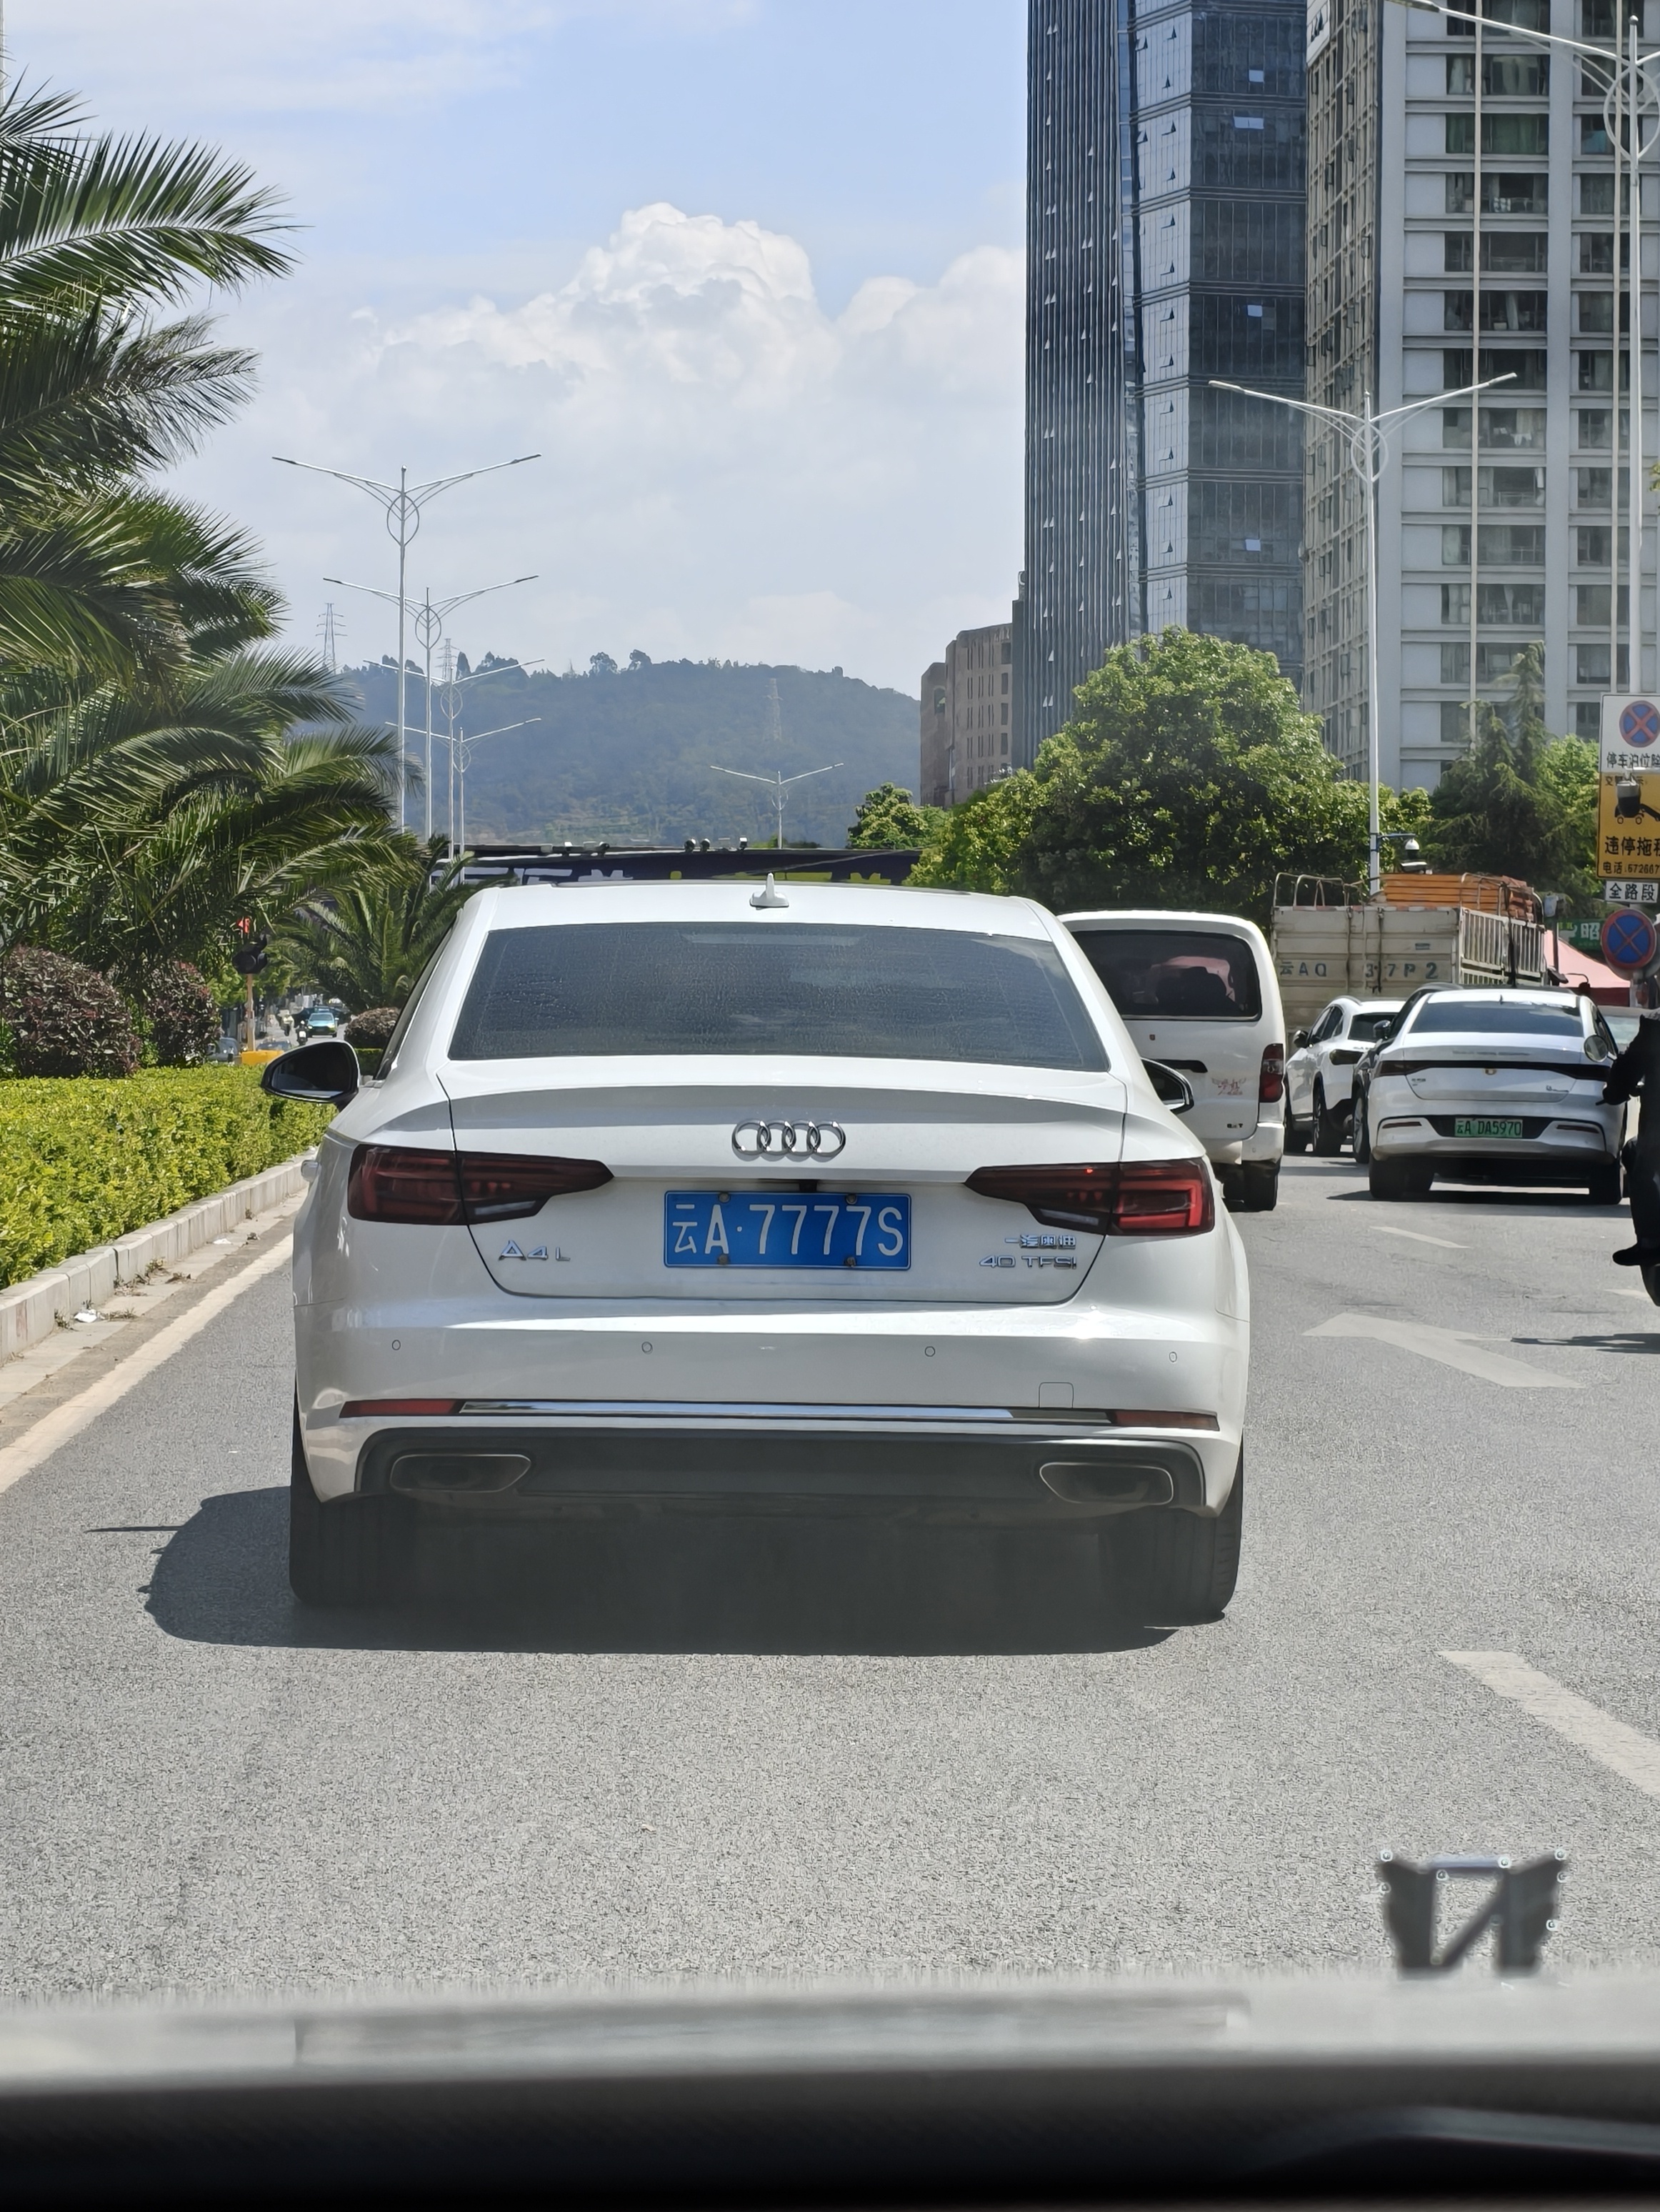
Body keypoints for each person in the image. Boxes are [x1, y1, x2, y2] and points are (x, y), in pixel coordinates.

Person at [1603, 976, 1660, 1266]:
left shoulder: (1656, 1025)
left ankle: (1650, 1242)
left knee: (1637, 1156)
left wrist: (1615, 1091)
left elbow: (1629, 1065)